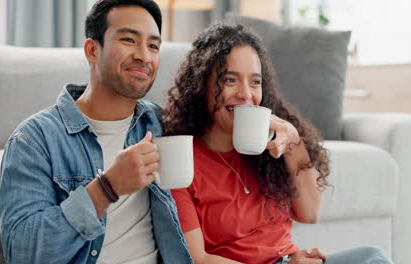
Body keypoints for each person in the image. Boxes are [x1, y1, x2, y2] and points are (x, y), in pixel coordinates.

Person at [164, 23, 394, 264]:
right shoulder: (182, 161)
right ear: (202, 84)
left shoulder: (269, 151)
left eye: (255, 82)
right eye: (230, 80)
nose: (246, 94)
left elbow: (310, 212)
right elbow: (197, 259)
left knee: (371, 257)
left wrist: (294, 142)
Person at [0, 0, 193, 263]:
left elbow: (221, 134)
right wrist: (106, 188)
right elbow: (22, 254)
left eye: (153, 46)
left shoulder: (160, 123)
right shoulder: (34, 140)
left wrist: (268, 131)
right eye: (129, 40)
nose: (144, 56)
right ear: (92, 49)